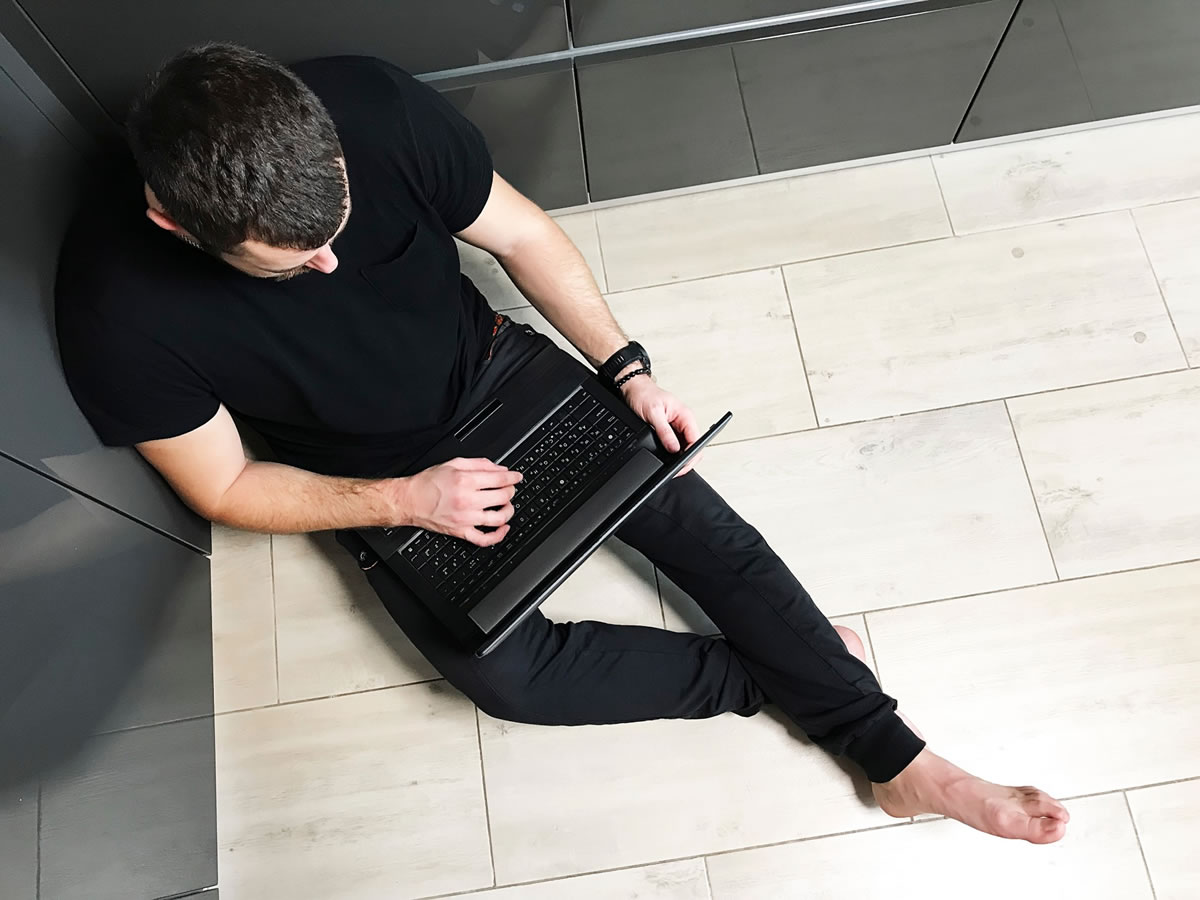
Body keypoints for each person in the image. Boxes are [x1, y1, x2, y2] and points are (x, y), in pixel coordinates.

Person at [56, 43, 1069, 844]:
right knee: (508, 679)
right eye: (288, 262)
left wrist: (627, 369)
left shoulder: (375, 108)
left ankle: (901, 763)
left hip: (501, 376)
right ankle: (772, 675)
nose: (329, 263)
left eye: (339, 226)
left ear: (326, 142)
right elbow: (224, 484)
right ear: (174, 224)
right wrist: (408, 500)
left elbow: (525, 238)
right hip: (379, 478)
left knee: (700, 528)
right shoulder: (114, 308)